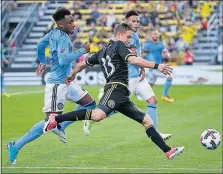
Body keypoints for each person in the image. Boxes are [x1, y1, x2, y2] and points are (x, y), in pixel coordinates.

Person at [44, 23, 185, 160]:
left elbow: (82, 63)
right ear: (118, 35)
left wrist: (73, 73)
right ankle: (55, 119)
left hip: (122, 95)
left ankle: (168, 151)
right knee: (98, 115)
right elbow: (134, 60)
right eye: (128, 36)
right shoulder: (119, 45)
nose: (130, 40)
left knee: (147, 121)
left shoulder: (102, 51)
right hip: (115, 88)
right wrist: (156, 65)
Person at [7, 7, 96, 164]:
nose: (74, 24)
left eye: (73, 21)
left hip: (68, 81)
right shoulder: (62, 38)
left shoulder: (53, 33)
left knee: (89, 103)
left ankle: (61, 126)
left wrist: (43, 60)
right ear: (61, 24)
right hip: (57, 84)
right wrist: (83, 50)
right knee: (49, 121)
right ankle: (15, 145)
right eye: (70, 22)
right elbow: (63, 60)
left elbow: (40, 44)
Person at [88, 10, 171, 140]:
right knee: (115, 106)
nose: (137, 23)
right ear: (127, 22)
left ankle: (156, 132)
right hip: (127, 78)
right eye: (133, 21)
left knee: (152, 100)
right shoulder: (124, 38)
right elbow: (130, 57)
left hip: (137, 76)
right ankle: (93, 117)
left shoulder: (135, 37)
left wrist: (142, 68)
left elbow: (137, 55)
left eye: (138, 21)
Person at [142, 28, 174, 103]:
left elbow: (164, 50)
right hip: (154, 67)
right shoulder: (147, 44)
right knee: (170, 76)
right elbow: (141, 52)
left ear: (158, 35)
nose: (155, 35)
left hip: (157, 66)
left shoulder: (160, 44)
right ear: (151, 35)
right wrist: (144, 53)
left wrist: (167, 54)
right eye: (153, 34)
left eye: (156, 34)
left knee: (151, 84)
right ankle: (165, 96)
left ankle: (140, 93)